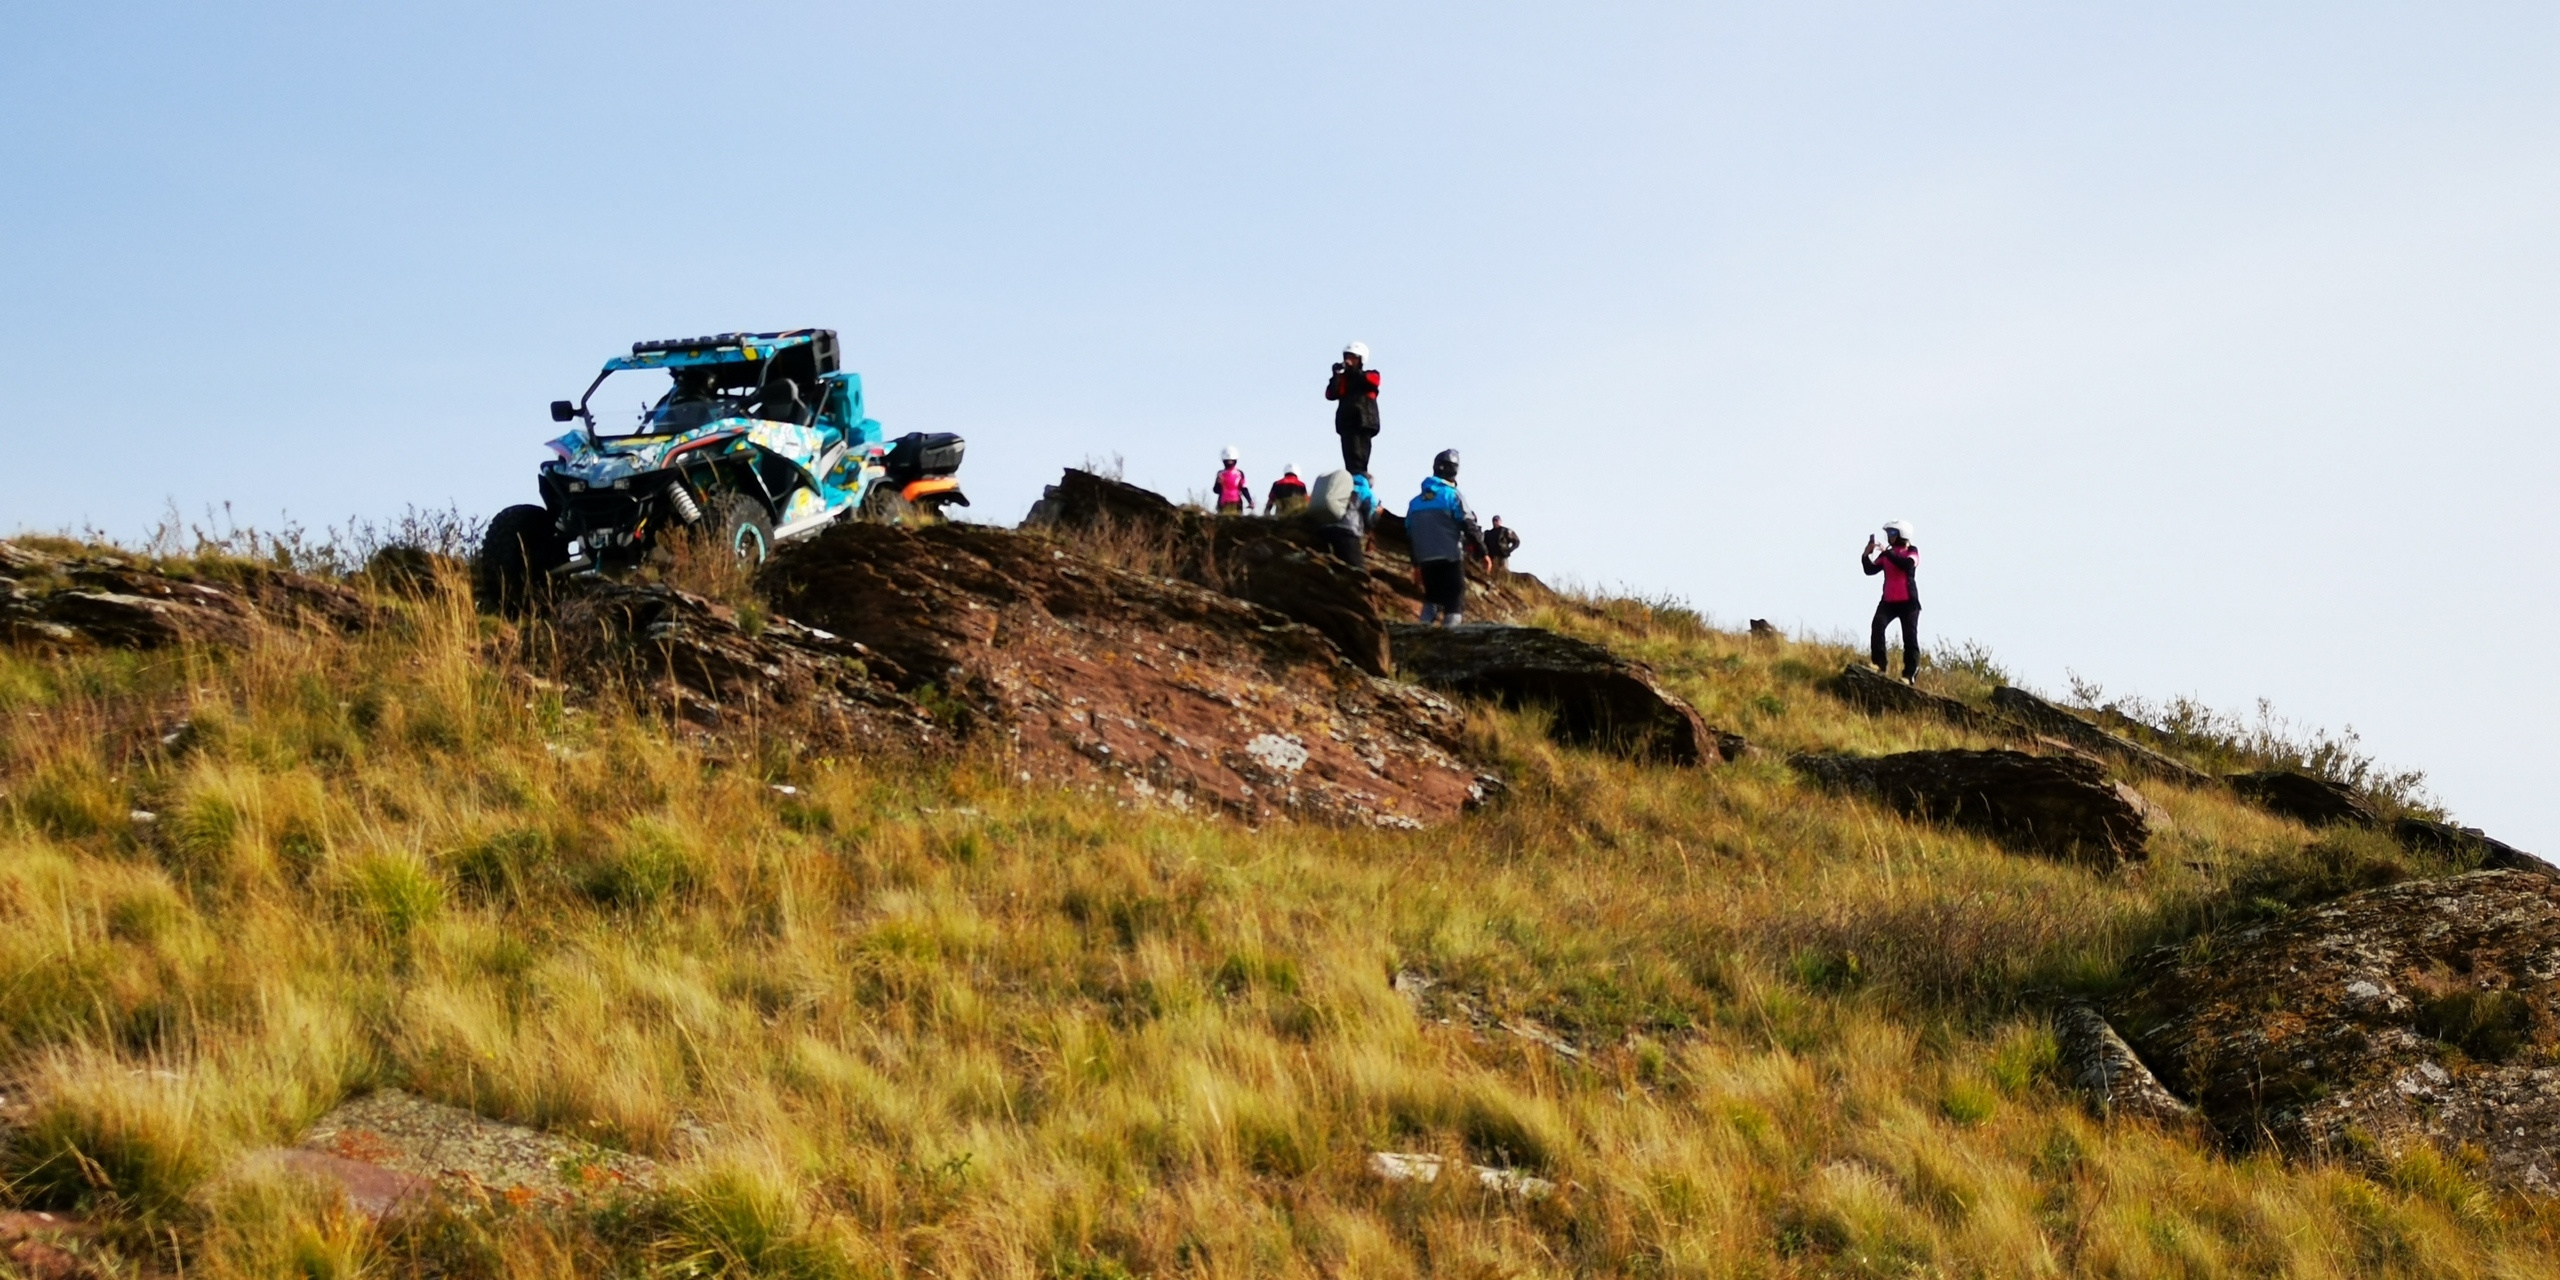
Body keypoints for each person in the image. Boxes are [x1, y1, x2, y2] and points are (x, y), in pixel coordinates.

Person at [1406, 449, 1485, 626]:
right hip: (1450, 556)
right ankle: (1451, 636)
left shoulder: (1415, 502)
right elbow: (1468, 523)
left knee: (1432, 598)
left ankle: (1421, 632)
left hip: (1425, 559)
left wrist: (1416, 564)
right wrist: (1483, 551)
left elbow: (1411, 533)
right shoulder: (1452, 495)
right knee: (1455, 599)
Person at [1862, 518, 1921, 682]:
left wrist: (1889, 553)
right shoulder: (1887, 554)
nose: (1889, 536)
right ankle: (1879, 663)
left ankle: (1909, 674)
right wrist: (1866, 554)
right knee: (1877, 625)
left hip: (1908, 603)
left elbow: (1907, 565)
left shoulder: (1912, 551)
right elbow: (1870, 569)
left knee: (1909, 638)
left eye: (1893, 533)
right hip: (1888, 602)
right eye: (1888, 533)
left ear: (1902, 534)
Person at [1325, 342, 1381, 475]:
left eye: (1353, 358)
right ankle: (1353, 478)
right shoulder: (1343, 379)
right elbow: (1330, 394)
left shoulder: (1370, 375)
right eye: (1347, 357)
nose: (1348, 361)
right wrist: (1336, 375)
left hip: (1363, 421)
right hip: (1347, 422)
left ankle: (1361, 478)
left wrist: (1353, 371)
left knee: (1359, 456)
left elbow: (1372, 381)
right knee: (1349, 457)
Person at [1315, 470, 1376, 569]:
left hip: (1325, 527)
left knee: (1326, 565)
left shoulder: (1342, 484)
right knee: (1357, 569)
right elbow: (1368, 517)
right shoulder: (1365, 491)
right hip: (1347, 531)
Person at [1213, 446, 1254, 515]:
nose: (1229, 463)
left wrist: (1250, 501)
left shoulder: (1239, 473)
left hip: (1234, 503)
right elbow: (1216, 490)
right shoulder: (1221, 474)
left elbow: (1244, 489)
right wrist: (1250, 501)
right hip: (1225, 503)